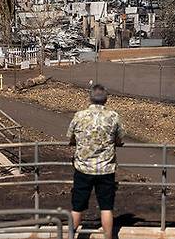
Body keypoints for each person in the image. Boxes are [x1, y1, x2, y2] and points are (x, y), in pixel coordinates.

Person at [67, 84, 125, 239]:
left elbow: (70, 137)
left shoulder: (79, 116)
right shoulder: (113, 116)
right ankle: (108, 236)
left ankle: (71, 236)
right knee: (106, 207)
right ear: (106, 99)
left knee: (77, 207)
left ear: (90, 98)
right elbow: (120, 139)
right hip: (106, 169)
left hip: (83, 169)